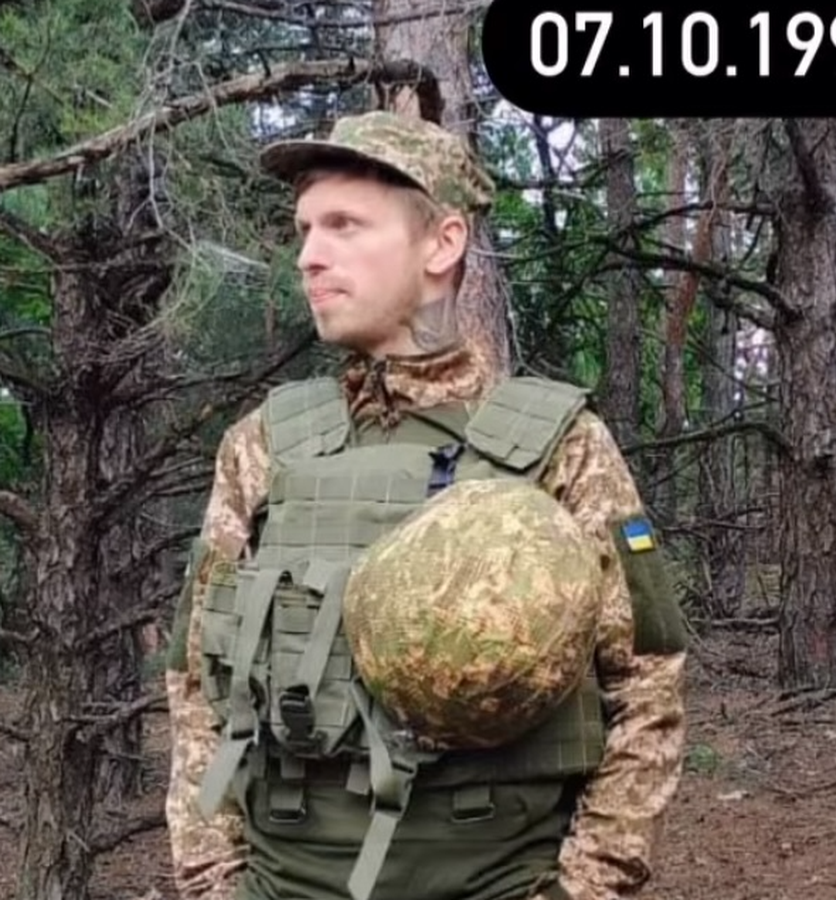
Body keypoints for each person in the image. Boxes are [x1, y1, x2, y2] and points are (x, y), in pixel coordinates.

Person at [163, 99, 688, 900]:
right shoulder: (262, 446)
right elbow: (198, 681)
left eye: (344, 225)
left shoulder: (562, 446)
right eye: (304, 229)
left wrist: (583, 888)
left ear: (443, 243)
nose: (309, 256)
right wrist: (213, 884)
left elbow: (646, 682)